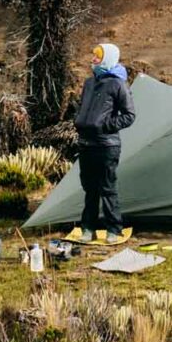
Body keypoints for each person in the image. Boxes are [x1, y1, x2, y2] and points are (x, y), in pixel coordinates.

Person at [67, 43, 135, 244]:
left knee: (107, 187)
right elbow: (83, 108)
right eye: (94, 55)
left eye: (98, 55)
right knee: (90, 189)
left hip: (107, 145)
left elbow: (129, 115)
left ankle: (114, 229)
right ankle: (88, 229)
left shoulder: (118, 84)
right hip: (86, 144)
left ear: (107, 59)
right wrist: (79, 120)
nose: (93, 58)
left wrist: (105, 125)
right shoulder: (89, 83)